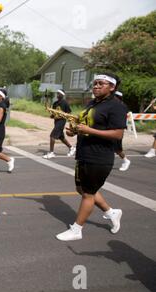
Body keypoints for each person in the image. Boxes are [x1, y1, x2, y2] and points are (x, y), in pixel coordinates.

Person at [56, 73, 128, 241]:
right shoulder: (92, 103)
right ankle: (111, 213)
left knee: (88, 193)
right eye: (95, 83)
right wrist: (73, 130)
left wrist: (90, 131)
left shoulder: (116, 106)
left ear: (112, 87)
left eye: (101, 84)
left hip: (99, 157)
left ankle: (76, 230)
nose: (96, 86)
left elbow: (118, 134)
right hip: (84, 153)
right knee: (82, 189)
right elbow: (86, 125)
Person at [43, 89, 76, 159]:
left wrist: (70, 122)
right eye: (57, 93)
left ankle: (51, 152)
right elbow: (53, 113)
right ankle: (72, 148)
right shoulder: (55, 103)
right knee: (61, 137)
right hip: (56, 122)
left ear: (62, 95)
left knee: (52, 136)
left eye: (59, 94)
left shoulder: (65, 103)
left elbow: (69, 113)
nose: (57, 95)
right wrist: (52, 115)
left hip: (62, 121)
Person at [113, 91, 131, 171]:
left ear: (118, 97)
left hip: (117, 130)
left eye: (114, 96)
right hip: (110, 129)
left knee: (118, 149)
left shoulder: (122, 106)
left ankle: (126, 160)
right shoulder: (114, 105)